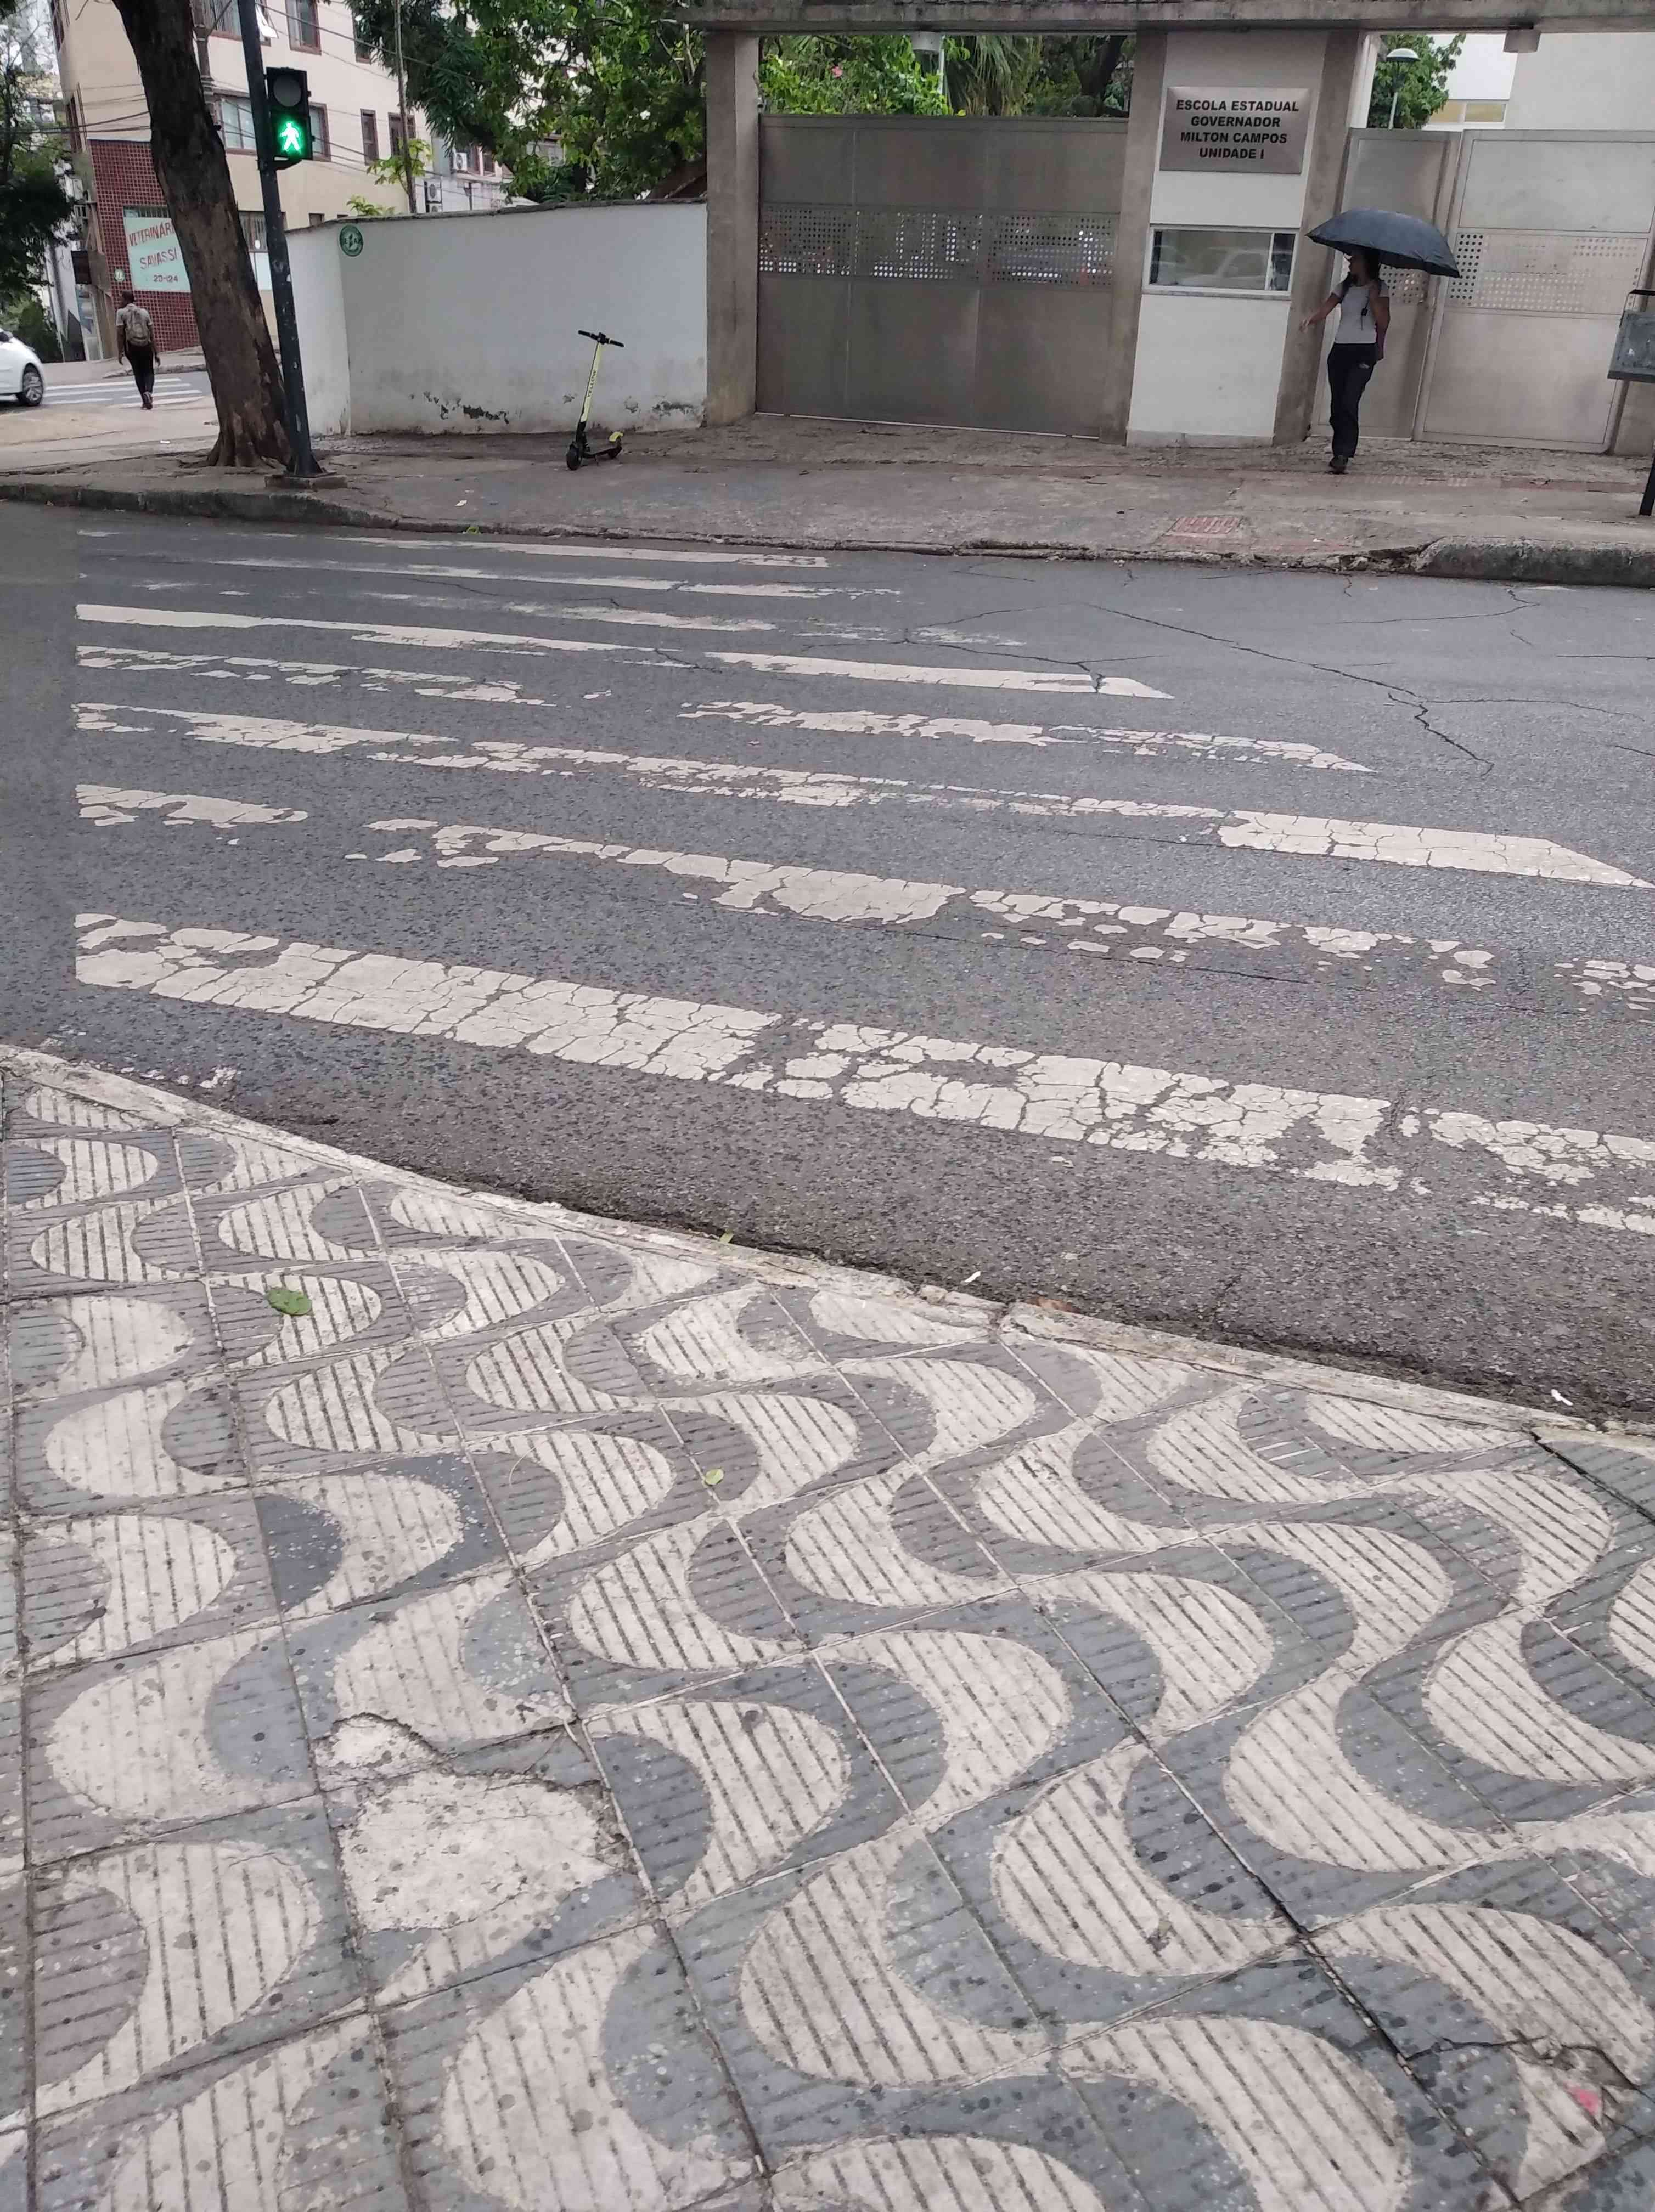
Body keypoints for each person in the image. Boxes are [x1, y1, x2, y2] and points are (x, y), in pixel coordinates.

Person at [1300, 250, 1389, 473]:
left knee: (1350, 400)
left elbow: (1384, 322)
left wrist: (1374, 299)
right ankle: (1340, 447)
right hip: (1341, 349)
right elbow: (1326, 308)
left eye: (1355, 261)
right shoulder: (1345, 287)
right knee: (1337, 405)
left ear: (1367, 264)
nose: (1350, 264)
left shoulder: (1380, 288)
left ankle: (1343, 453)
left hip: (1364, 350)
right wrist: (1311, 319)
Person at [114, 291, 156, 409]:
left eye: (121, 300)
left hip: (132, 347)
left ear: (127, 300)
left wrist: (120, 352)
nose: (120, 302)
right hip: (146, 346)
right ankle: (149, 392)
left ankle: (144, 401)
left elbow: (120, 334)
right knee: (149, 371)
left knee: (138, 373)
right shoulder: (144, 312)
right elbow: (152, 334)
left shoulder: (121, 313)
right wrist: (156, 351)